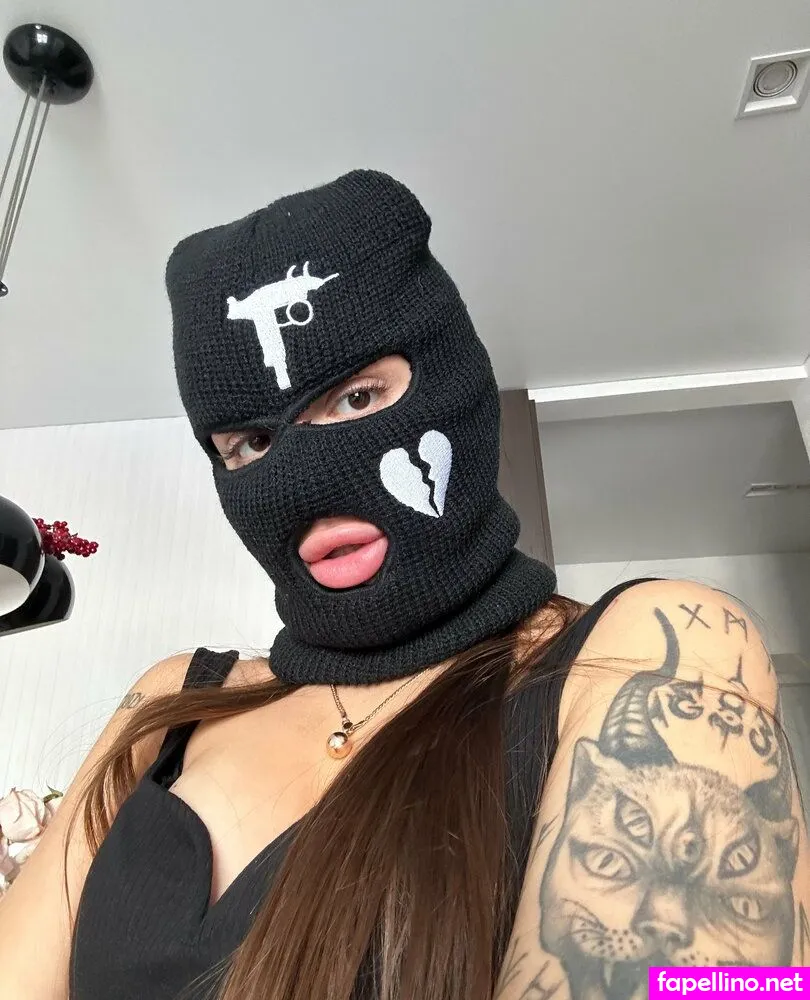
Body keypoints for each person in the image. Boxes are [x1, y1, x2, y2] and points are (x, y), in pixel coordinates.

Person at [1, 170, 806, 1000]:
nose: (301, 482)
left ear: (458, 382)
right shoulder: (175, 701)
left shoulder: (650, 653)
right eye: (250, 445)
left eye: (357, 397)